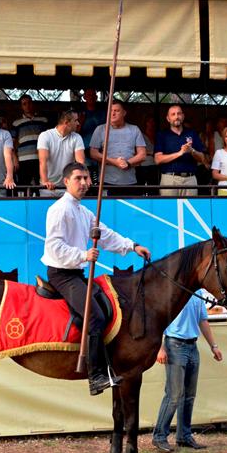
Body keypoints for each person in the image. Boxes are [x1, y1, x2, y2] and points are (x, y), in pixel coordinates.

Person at [41, 161, 151, 395]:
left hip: (76, 272)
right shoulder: (59, 210)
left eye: (86, 178)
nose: (84, 183)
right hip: (61, 274)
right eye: (78, 178)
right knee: (96, 316)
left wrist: (133, 246)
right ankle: (96, 375)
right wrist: (83, 254)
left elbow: (106, 235)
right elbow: (54, 247)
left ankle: (109, 366)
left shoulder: (84, 211)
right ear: (66, 182)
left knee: (107, 306)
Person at [151, 292, 223, 453]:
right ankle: (159, 436)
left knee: (189, 395)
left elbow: (202, 320)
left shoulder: (198, 294)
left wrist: (214, 346)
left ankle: (184, 436)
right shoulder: (174, 291)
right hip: (174, 345)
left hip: (192, 346)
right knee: (174, 395)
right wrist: (161, 348)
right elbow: (159, 320)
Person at [89, 99, 146, 195]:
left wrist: (128, 163)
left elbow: (143, 154)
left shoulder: (134, 129)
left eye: (117, 110)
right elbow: (93, 153)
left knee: (129, 210)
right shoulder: (100, 129)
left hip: (130, 181)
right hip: (106, 181)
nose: (113, 113)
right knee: (106, 210)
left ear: (124, 113)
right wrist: (114, 162)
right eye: (110, 111)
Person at [154, 104, 206, 197]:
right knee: (169, 209)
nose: (176, 116)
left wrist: (192, 151)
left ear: (183, 116)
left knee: (191, 209)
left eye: (179, 113)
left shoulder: (192, 133)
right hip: (170, 179)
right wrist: (179, 153)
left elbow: (202, 158)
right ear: (168, 118)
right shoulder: (162, 135)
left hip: (190, 179)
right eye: (173, 114)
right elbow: (158, 159)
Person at [37, 109, 85, 197]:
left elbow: (80, 162)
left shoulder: (77, 137)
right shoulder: (45, 136)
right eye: (76, 121)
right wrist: (45, 182)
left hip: (68, 187)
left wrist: (85, 178)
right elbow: (42, 162)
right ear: (67, 122)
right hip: (48, 187)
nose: (78, 123)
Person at [11, 94, 48, 196]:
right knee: (24, 186)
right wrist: (15, 159)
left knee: (40, 185)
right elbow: (11, 143)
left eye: (29, 103)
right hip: (23, 159)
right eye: (24, 104)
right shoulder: (16, 123)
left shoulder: (43, 120)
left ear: (33, 104)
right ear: (21, 107)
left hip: (40, 158)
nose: (27, 106)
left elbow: (49, 140)